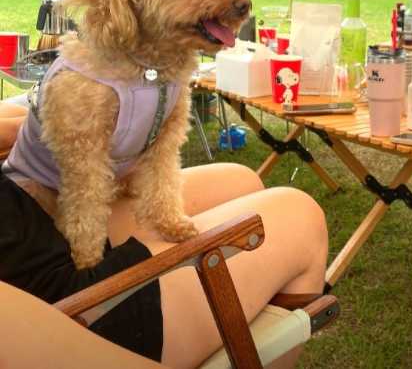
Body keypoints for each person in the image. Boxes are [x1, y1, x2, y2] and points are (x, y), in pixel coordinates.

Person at [0, 105, 328, 368]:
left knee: (242, 181)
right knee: (301, 217)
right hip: (51, 304)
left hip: (32, 220)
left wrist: (33, 122)